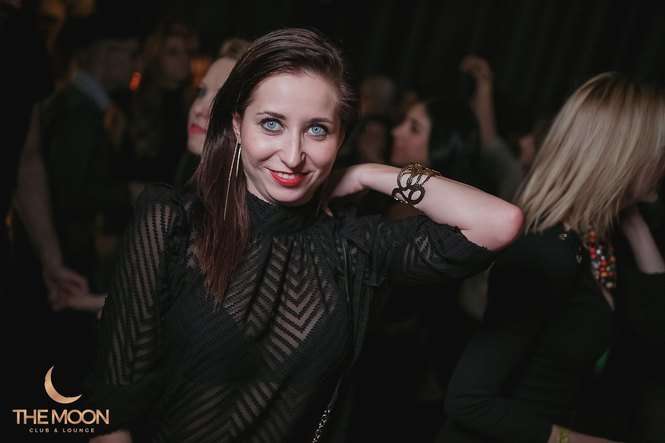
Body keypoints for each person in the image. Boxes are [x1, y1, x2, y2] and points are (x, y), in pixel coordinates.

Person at [85, 28, 522, 443]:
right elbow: (113, 407)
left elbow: (499, 222)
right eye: (271, 124)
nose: (293, 156)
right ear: (237, 125)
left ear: (340, 136)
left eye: (317, 129)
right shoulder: (172, 222)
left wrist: (370, 173)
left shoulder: (351, 245)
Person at [442, 73, 665, 443]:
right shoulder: (549, 251)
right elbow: (468, 402)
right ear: (627, 156)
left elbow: (656, 327)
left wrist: (634, 220)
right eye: (659, 150)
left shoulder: (599, 241)